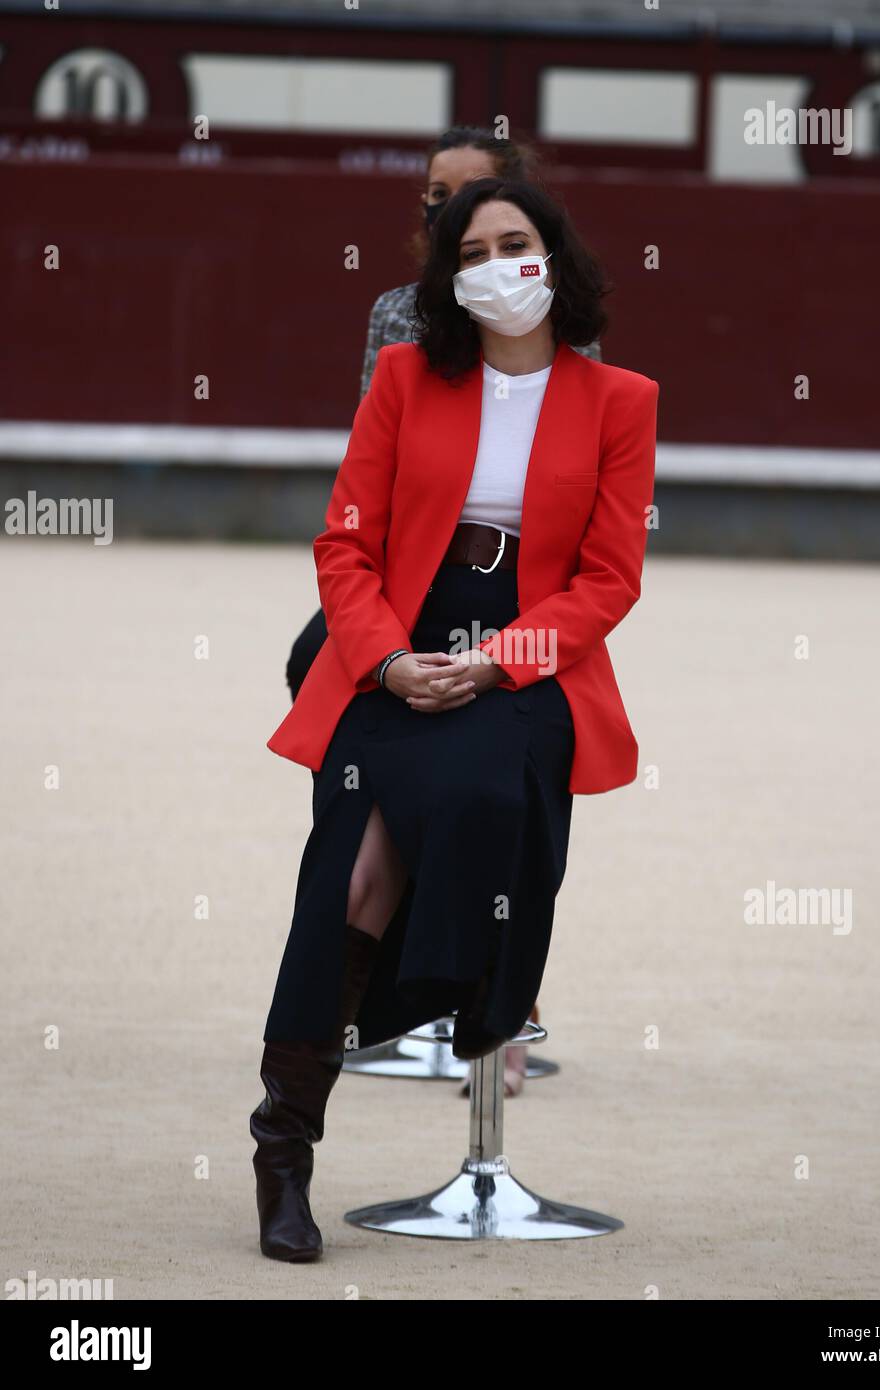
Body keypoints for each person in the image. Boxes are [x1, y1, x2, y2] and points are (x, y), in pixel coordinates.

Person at [250, 175, 659, 1263]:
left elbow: (609, 581)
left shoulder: (620, 399)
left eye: (514, 242)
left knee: (479, 790)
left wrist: (491, 662)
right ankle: (282, 1152)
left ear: (554, 257)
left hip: (526, 659)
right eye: (471, 251)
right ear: (449, 277)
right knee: (351, 876)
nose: (496, 265)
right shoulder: (402, 377)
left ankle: (476, 992)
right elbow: (343, 541)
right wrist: (387, 659)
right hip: (392, 638)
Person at [284, 125, 602, 1096]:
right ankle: (388, 964)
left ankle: (486, 992)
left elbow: (585, 519)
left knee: (495, 780)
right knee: (317, 671)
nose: (444, 208)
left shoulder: (577, 346)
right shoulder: (398, 320)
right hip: (405, 571)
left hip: (516, 595)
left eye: (468, 195)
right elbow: (366, 485)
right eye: (433, 196)